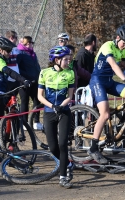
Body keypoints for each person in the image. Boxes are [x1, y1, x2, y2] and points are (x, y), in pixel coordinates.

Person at [88, 25, 125, 164]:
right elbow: (113, 65)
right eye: (124, 43)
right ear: (117, 38)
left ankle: (123, 123)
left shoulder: (122, 50)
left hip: (109, 82)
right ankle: (94, 148)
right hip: (97, 81)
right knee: (105, 114)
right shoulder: (108, 46)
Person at [37, 46, 75, 188]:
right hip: (49, 111)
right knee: (53, 147)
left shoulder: (70, 73)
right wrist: (52, 106)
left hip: (64, 111)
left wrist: (62, 105)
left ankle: (63, 176)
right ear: (56, 60)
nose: (68, 62)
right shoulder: (44, 73)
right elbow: (39, 96)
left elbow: (70, 96)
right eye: (65, 59)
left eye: (69, 59)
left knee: (62, 144)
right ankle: (69, 164)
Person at [0, 37, 31, 149]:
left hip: (0, 94)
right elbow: (9, 72)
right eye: (8, 51)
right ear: (0, 50)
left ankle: (6, 143)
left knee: (0, 119)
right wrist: (23, 80)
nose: (10, 53)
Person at [16, 36, 42, 129]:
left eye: (31, 43)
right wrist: (23, 79)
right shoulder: (19, 53)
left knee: (37, 100)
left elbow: (36, 66)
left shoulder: (33, 54)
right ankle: (24, 123)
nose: (31, 45)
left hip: (35, 81)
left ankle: (36, 121)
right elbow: (17, 68)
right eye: (28, 43)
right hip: (24, 82)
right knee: (24, 101)